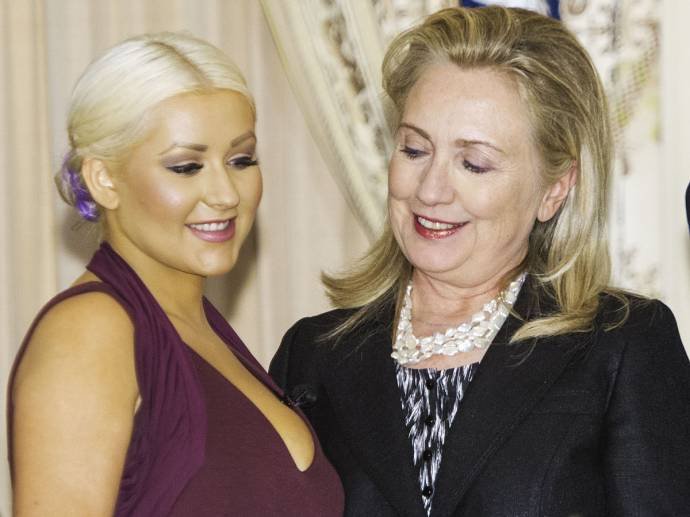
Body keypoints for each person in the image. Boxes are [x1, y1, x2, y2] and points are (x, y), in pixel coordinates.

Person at [270, 6, 690, 517]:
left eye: (474, 163)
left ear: (554, 190)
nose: (431, 190)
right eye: (414, 150)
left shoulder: (623, 345)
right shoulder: (311, 353)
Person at [8, 32, 343, 516]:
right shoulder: (90, 333)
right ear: (104, 178)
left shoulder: (201, 331)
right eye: (187, 167)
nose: (226, 194)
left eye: (241, 160)